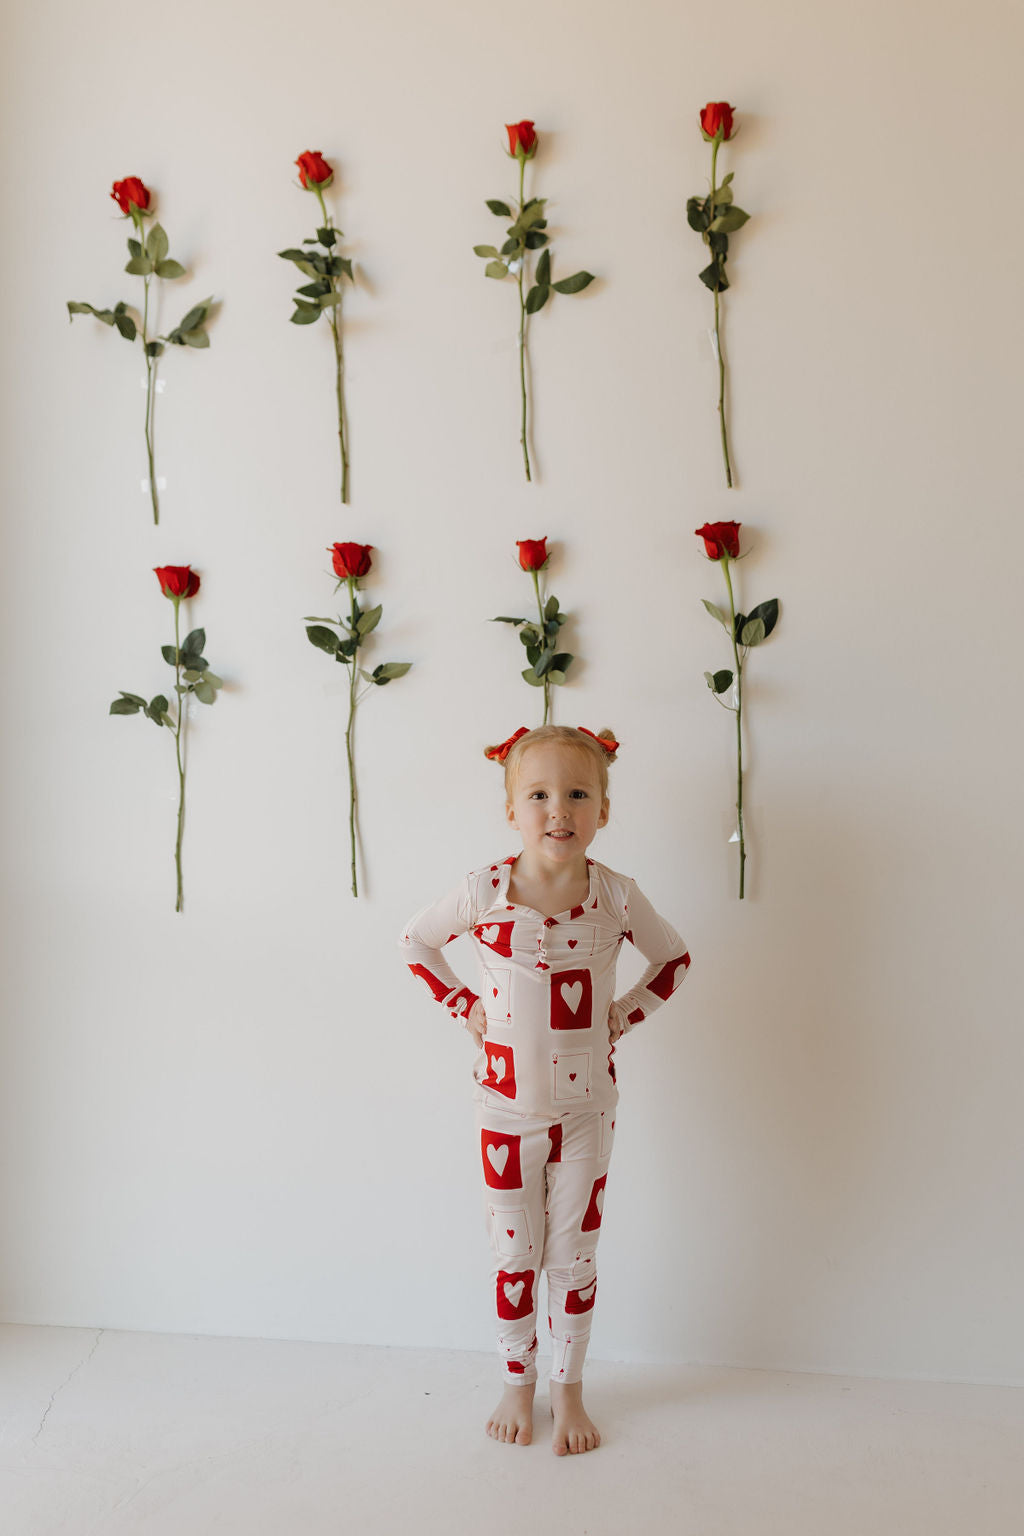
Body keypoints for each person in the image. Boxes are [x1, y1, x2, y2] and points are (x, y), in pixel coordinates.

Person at [399, 724, 690, 1456]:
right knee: (513, 1255)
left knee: (575, 1255)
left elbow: (675, 961)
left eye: (578, 794)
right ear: (511, 810)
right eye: (539, 795)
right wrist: (465, 1007)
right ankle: (515, 1383)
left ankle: (569, 1390)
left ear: (604, 810)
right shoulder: (482, 893)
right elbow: (415, 942)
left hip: (589, 1114)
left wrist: (622, 1014)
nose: (558, 809)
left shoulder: (617, 899)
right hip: (504, 1114)